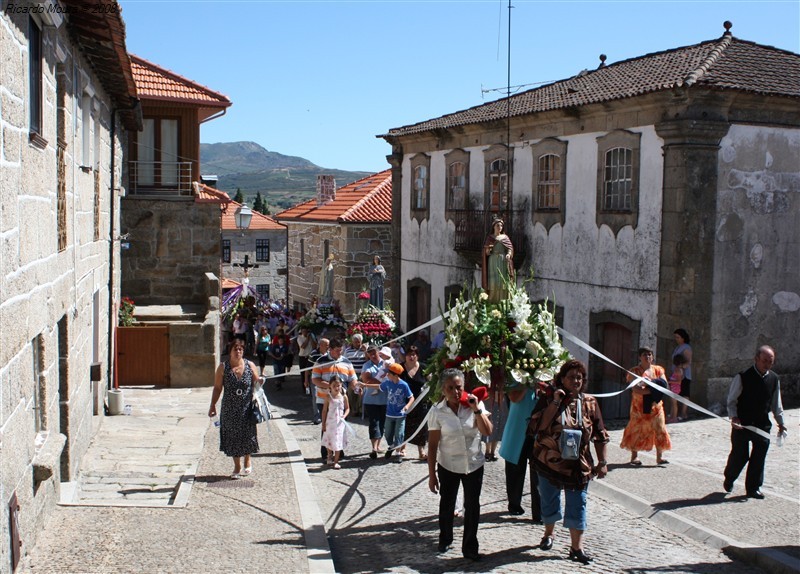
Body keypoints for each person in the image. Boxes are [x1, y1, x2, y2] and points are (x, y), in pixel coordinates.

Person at [530, 360, 609, 565]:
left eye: (579, 377)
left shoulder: (590, 403)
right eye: (571, 377)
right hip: (548, 461)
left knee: (578, 503)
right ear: (561, 379)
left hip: (578, 464)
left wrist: (603, 462)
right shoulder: (548, 399)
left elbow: (600, 434)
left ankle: (577, 548)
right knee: (549, 499)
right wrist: (556, 402)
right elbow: (538, 427)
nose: (576, 381)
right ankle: (549, 533)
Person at [427, 368, 492, 561]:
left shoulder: (474, 405)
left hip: (473, 463)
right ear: (443, 389)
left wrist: (477, 410)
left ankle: (470, 547)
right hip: (449, 464)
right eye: (450, 388)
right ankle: (445, 537)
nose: (456, 392)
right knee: (447, 503)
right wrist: (432, 475)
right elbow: (432, 445)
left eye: (459, 387)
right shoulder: (437, 412)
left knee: (472, 506)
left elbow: (487, 431)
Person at [723, 345, 786, 499]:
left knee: (759, 456)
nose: (767, 364)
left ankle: (753, 488)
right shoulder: (743, 376)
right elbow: (732, 400)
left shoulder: (774, 379)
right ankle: (730, 478)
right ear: (756, 359)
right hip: (742, 424)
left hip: (762, 425)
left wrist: (781, 423)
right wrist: (734, 417)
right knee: (740, 455)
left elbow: (776, 404)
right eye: (765, 361)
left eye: (770, 362)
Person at [208, 335, 259, 479]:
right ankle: (237, 465)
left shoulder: (250, 365)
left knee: (247, 435)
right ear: (230, 351)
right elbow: (217, 388)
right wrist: (213, 405)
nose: (238, 352)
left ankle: (247, 460)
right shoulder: (223, 367)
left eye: (241, 349)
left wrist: (260, 381)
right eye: (235, 349)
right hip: (229, 408)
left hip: (246, 407)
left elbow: (257, 384)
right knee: (232, 436)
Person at [620, 347, 671, 466]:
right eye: (644, 355)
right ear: (639, 357)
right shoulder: (634, 371)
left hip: (656, 407)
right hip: (638, 408)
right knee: (636, 430)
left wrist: (650, 389)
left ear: (652, 357)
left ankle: (659, 457)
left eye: (649, 354)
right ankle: (634, 457)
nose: (647, 357)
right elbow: (636, 389)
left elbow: (664, 385)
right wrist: (653, 391)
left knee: (660, 429)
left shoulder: (659, 370)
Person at [311, 337, 358, 461]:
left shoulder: (347, 362)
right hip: (324, 399)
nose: (340, 353)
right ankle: (326, 454)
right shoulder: (321, 361)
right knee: (327, 426)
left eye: (341, 350)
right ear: (330, 350)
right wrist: (330, 386)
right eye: (337, 350)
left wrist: (356, 387)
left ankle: (339, 452)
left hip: (341, 401)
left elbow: (352, 379)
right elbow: (315, 379)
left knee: (340, 426)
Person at [499, 383, 541, 520]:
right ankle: (514, 504)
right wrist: (528, 382)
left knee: (539, 472)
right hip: (518, 428)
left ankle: (539, 511)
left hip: (538, 430)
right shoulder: (516, 376)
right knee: (514, 469)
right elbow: (514, 398)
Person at [367, 362, 413, 460]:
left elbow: (411, 397)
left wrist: (407, 406)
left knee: (399, 434)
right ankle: (392, 446)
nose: (387, 375)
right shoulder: (387, 382)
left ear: (395, 375)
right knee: (387, 434)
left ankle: (397, 453)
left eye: (389, 373)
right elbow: (378, 387)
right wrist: (364, 385)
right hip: (389, 414)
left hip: (400, 415)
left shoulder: (404, 385)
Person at [399, 345, 429, 459]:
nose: (411, 357)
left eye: (414, 355)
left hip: (420, 401)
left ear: (417, 356)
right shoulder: (400, 368)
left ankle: (421, 451)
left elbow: (429, 380)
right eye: (409, 355)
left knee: (421, 426)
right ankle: (402, 448)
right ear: (405, 356)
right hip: (404, 401)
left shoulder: (423, 368)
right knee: (404, 425)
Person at [360, 345, 388, 459]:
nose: (372, 355)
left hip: (385, 399)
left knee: (382, 423)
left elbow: (390, 378)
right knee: (373, 423)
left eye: (374, 353)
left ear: (378, 352)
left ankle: (378, 445)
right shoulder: (366, 365)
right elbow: (365, 380)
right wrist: (375, 382)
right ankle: (373, 447)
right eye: (370, 353)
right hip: (370, 400)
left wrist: (372, 380)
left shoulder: (386, 364)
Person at [481, 217, 514, 303]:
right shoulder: (490, 238)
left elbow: (510, 248)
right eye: (498, 225)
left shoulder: (505, 237)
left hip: (503, 260)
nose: (500, 227)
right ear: (494, 227)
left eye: (501, 226)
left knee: (502, 279)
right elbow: (486, 252)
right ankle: (493, 299)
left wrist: (508, 254)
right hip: (493, 261)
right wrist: (488, 250)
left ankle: (503, 299)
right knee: (494, 280)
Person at [321, 376, 350, 470]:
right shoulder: (328, 397)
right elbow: (324, 410)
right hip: (330, 422)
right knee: (329, 440)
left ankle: (336, 461)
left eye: (338, 386)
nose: (337, 388)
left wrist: (344, 416)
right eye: (334, 386)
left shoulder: (344, 396)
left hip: (339, 424)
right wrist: (323, 423)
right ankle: (329, 454)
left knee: (338, 441)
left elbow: (347, 408)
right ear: (330, 386)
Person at [672, 328, 693, 421]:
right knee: (676, 393)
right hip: (677, 373)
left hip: (684, 374)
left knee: (685, 392)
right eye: (675, 337)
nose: (676, 339)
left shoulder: (686, 347)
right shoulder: (678, 347)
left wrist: (680, 368)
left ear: (683, 338)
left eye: (678, 337)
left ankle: (683, 413)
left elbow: (688, 362)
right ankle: (675, 413)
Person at [344, 334, 368, 417]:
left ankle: (361, 409)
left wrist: (365, 351)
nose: (357, 344)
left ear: (361, 342)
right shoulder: (347, 350)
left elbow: (368, 360)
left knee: (361, 392)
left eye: (358, 342)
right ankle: (354, 409)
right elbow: (344, 361)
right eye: (355, 342)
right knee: (351, 392)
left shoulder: (365, 349)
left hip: (362, 373)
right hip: (351, 374)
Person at [309, 337, 330, 425]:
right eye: (327, 345)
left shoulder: (330, 354)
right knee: (315, 397)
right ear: (321, 345)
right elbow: (307, 368)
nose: (328, 346)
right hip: (315, 378)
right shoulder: (313, 354)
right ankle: (317, 416)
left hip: (326, 378)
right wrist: (306, 381)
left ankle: (326, 415)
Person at [667, 353, 687, 423]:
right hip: (673, 388)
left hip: (675, 389)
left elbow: (679, 381)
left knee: (674, 404)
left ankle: (674, 417)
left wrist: (670, 381)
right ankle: (672, 416)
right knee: (672, 403)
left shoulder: (678, 370)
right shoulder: (679, 369)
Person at [296, 326, 316, 395]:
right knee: (303, 374)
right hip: (302, 357)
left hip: (310, 357)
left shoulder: (311, 338)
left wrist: (312, 338)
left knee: (311, 373)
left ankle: (311, 388)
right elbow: (303, 346)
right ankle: (305, 389)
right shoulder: (299, 338)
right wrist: (307, 338)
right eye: (303, 331)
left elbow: (314, 347)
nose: (304, 333)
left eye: (306, 331)